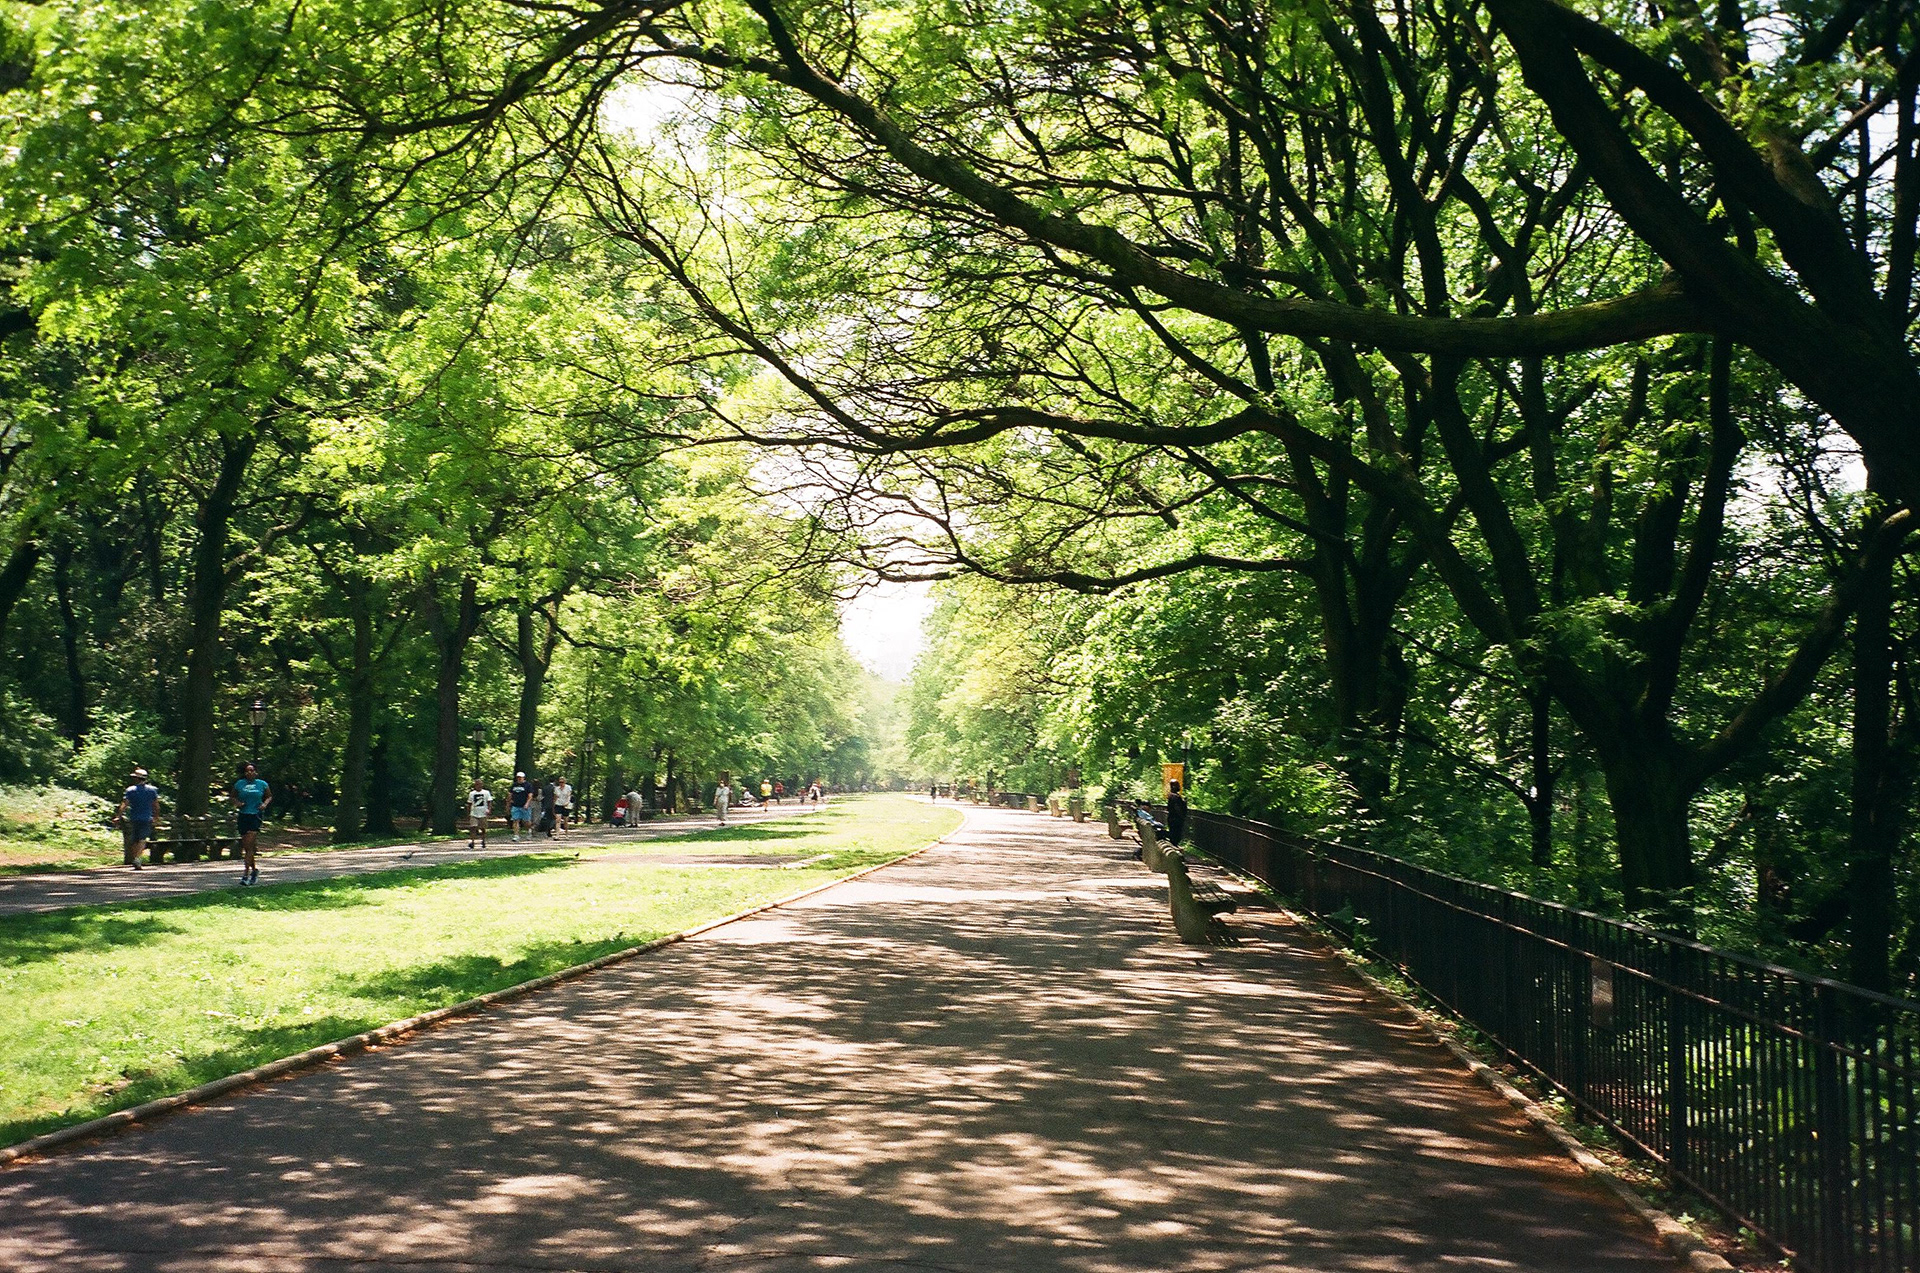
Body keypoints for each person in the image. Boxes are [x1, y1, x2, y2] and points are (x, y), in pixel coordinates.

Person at [233, 761, 272, 886]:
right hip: (244, 815)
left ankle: (245, 875)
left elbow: (269, 796)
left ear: (256, 772)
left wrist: (264, 805)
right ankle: (254, 870)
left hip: (255, 815)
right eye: (247, 771)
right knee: (247, 847)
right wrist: (237, 803)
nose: (249, 772)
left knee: (249, 845)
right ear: (244, 773)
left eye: (252, 770)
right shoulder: (240, 784)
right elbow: (232, 796)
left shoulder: (262, 784)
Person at [116, 767, 161, 869]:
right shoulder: (152, 790)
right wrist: (156, 817)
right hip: (146, 818)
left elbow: (124, 804)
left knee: (135, 840)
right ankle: (137, 858)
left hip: (134, 818)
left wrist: (118, 816)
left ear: (137, 779)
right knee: (142, 839)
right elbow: (156, 806)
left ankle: (136, 858)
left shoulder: (130, 790)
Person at [507, 771, 533, 843]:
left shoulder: (528, 785)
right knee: (515, 820)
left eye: (520, 777)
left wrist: (527, 803)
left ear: (523, 778)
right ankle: (516, 835)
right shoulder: (514, 785)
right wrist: (508, 803)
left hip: (524, 806)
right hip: (515, 805)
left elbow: (530, 796)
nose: (519, 779)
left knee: (526, 821)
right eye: (518, 777)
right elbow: (510, 794)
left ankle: (529, 830)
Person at [466, 779, 493, 848]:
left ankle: (483, 840)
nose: (478, 786)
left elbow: (489, 802)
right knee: (473, 827)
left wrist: (489, 810)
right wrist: (468, 813)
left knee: (483, 828)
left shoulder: (486, 793)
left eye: (480, 784)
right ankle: (472, 841)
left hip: (483, 813)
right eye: (477, 784)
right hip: (474, 813)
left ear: (482, 785)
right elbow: (469, 803)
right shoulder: (472, 793)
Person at [1166, 779, 1188, 846]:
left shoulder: (1172, 795)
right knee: (1175, 837)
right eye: (1177, 785)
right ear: (1173, 786)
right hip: (1176, 820)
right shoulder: (1174, 796)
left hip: (1173, 819)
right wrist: (1182, 816)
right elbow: (1177, 808)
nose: (1179, 786)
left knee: (1175, 836)